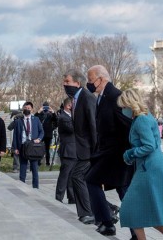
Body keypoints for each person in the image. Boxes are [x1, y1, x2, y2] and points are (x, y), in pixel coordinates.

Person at [117, 89, 163, 240]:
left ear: (130, 104)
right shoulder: (145, 116)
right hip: (150, 165)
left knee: (129, 207)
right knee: (146, 207)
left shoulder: (141, 120)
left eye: (123, 106)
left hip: (149, 167)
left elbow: (149, 146)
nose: (122, 109)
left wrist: (130, 154)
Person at [85, 65, 134, 237]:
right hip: (107, 152)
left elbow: (128, 125)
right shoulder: (102, 96)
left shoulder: (116, 96)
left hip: (116, 153)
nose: (89, 84)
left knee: (91, 180)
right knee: (123, 191)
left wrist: (127, 152)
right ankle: (135, 231)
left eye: (90, 80)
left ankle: (107, 222)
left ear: (101, 79)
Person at [63, 69, 96, 225]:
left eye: (68, 81)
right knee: (87, 180)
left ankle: (88, 213)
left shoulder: (86, 97)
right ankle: (106, 210)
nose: (65, 84)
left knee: (77, 176)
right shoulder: (75, 98)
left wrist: (96, 151)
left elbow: (93, 125)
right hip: (82, 149)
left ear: (77, 83)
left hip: (89, 149)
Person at [11, 102, 44, 188]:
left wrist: (39, 139)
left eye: (29, 108)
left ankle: (36, 187)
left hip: (33, 146)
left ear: (32, 109)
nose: (27, 109)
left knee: (34, 168)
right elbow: (15, 135)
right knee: (23, 166)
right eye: (25, 108)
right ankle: (22, 185)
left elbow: (41, 131)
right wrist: (15, 148)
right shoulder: (19, 121)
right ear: (23, 109)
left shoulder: (36, 119)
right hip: (22, 146)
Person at [55, 97, 76, 204]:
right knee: (65, 175)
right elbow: (72, 129)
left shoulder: (69, 116)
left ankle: (72, 197)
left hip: (73, 150)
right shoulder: (63, 117)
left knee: (72, 175)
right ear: (69, 106)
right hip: (68, 150)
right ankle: (59, 197)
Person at [35, 101, 58, 166]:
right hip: (40, 134)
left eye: (47, 107)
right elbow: (34, 119)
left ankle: (47, 163)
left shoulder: (51, 115)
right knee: (39, 148)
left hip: (48, 134)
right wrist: (38, 111)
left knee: (47, 149)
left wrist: (53, 112)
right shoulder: (40, 114)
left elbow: (56, 121)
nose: (45, 108)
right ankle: (38, 162)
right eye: (44, 107)